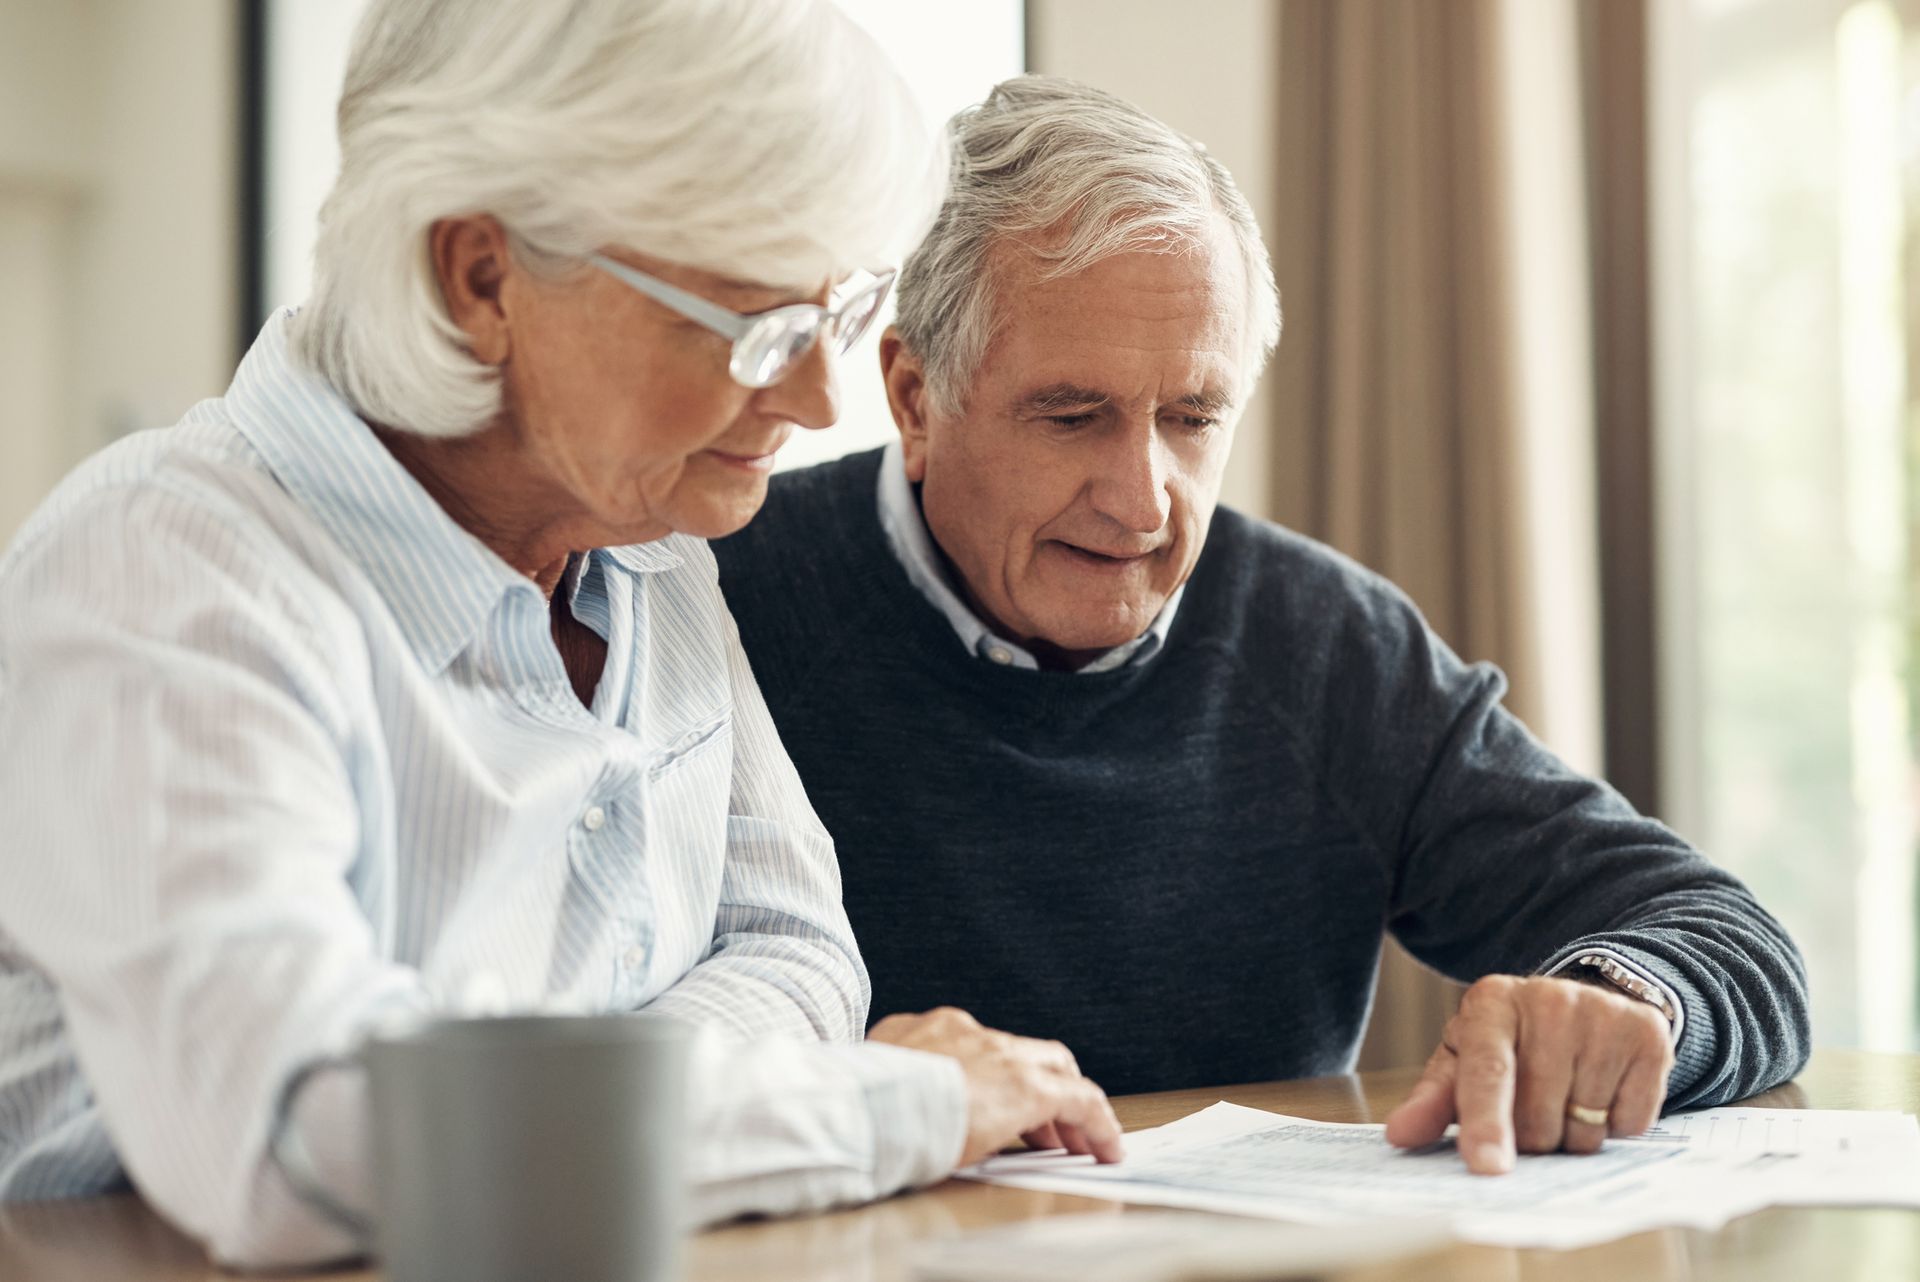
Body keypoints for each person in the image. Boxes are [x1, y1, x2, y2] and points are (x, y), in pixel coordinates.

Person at [0, 8, 1120, 1270]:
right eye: (756, 327)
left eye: (832, 317)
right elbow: (305, 1137)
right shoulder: (162, 569)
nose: (814, 401)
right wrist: (897, 1105)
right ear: (481, 278)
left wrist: (527, 1103)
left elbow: (798, 954)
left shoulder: (649, 542)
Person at [713, 75, 1811, 1179]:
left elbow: (1728, 934)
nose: (1142, 501)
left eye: (1193, 418)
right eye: (1072, 416)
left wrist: (1628, 1002)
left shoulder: (1325, 645)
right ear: (912, 395)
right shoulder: (718, 600)